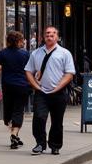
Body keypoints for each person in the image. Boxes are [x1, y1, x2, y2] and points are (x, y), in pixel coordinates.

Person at [24, 26, 76, 156]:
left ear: (57, 37)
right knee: (39, 118)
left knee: (57, 121)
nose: (50, 36)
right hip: (41, 93)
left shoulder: (64, 53)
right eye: (47, 34)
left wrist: (58, 87)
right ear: (43, 37)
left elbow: (69, 73)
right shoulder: (36, 53)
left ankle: (55, 145)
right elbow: (28, 71)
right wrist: (36, 86)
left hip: (59, 93)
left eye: (53, 34)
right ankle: (40, 144)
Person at [0, 29, 30, 149]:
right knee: (18, 110)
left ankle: (14, 134)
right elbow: (30, 71)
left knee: (8, 111)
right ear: (18, 41)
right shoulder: (25, 54)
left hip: (8, 86)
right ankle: (14, 134)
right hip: (22, 86)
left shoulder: (3, 53)